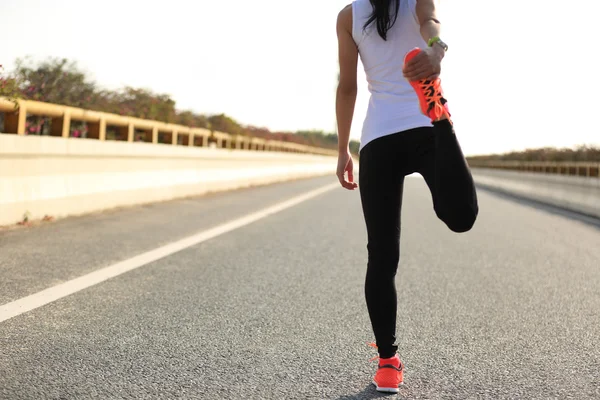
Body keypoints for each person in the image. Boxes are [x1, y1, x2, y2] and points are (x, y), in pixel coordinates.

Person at [335, 0, 479, 393]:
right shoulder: (349, 15)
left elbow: (430, 23)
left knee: (442, 225)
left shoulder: (359, 13)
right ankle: (387, 360)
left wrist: (436, 49)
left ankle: (387, 363)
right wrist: (342, 148)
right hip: (401, 132)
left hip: (398, 128)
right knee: (393, 248)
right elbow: (348, 85)